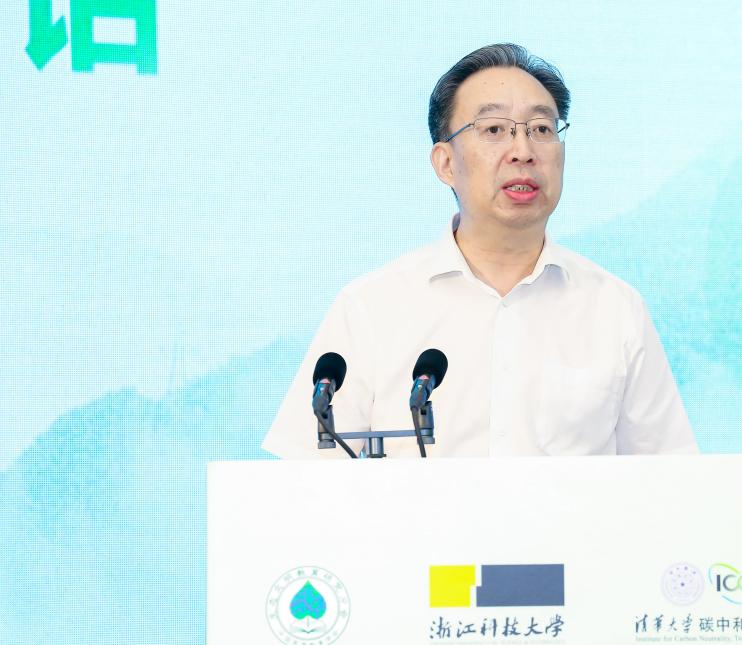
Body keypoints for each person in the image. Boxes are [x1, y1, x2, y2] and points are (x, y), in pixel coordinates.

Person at [262, 43, 698, 458]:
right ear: (445, 162)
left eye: (541, 129)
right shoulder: (371, 307)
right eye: (494, 130)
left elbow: (670, 478)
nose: (523, 151)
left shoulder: (615, 309)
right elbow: (305, 478)